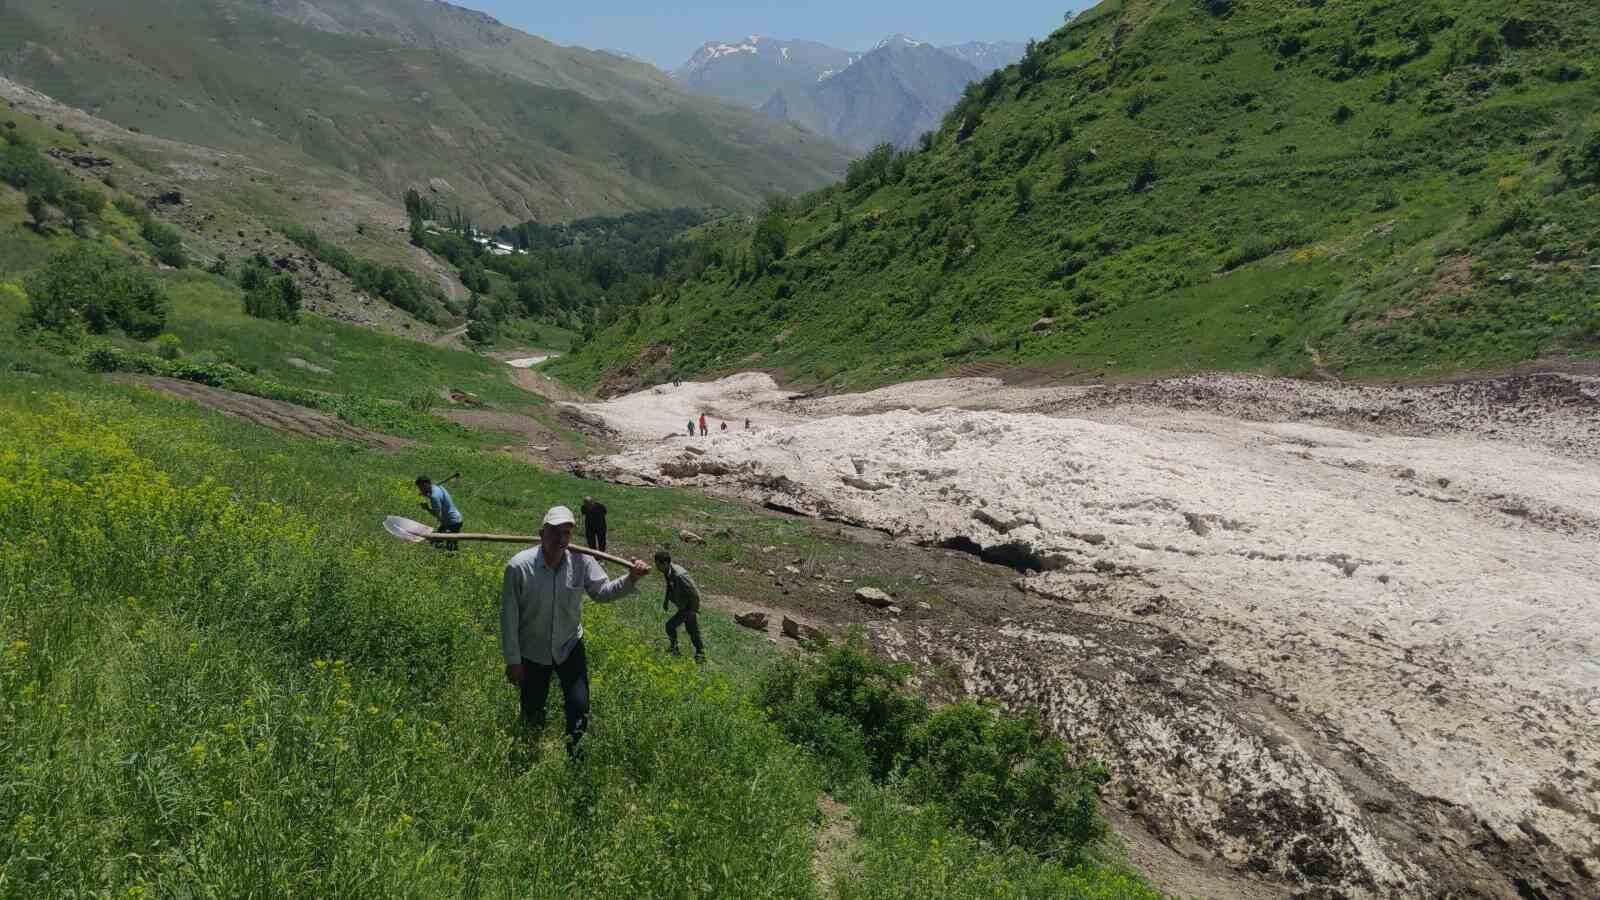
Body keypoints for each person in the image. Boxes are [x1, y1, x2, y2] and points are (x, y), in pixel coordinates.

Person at [500, 506, 651, 755]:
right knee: (533, 707)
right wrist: (513, 660)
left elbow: (602, 593)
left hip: (569, 645)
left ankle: (576, 756)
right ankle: (529, 751)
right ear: (542, 533)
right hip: (533, 650)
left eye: (567, 533)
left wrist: (631, 578)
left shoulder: (582, 561)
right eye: (555, 532)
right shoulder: (518, 567)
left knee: (579, 704)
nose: (561, 539)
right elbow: (508, 617)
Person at [656, 550, 705, 662]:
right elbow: (669, 585)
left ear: (665, 563)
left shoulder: (679, 575)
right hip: (685, 607)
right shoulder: (667, 571)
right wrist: (666, 601)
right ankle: (700, 654)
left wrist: (693, 610)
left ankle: (675, 649)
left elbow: (694, 593)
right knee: (692, 631)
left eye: (658, 564)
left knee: (670, 626)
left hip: (688, 608)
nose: (657, 567)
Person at [416, 475, 463, 551]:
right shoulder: (436, 487)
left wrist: (427, 508)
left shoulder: (434, 497)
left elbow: (438, 515)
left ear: (426, 484)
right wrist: (427, 495)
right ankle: (448, 554)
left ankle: (452, 556)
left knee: (450, 546)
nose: (420, 490)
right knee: (437, 541)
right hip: (456, 519)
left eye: (421, 488)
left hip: (451, 522)